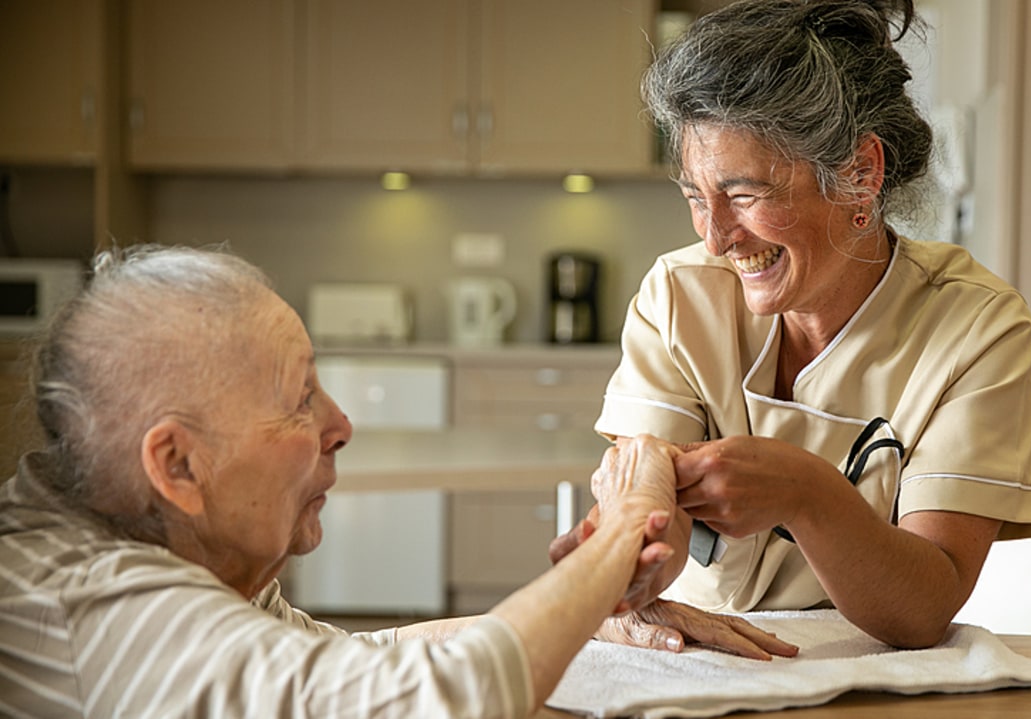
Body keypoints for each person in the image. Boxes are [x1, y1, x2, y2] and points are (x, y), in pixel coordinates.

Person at [0, 244, 795, 718]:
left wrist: (593, 621)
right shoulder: (89, 607)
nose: (339, 423)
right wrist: (619, 537)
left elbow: (350, 660)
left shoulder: (168, 543)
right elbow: (428, 700)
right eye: (299, 397)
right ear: (177, 465)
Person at [555, 0, 1031, 651]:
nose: (715, 238)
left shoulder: (974, 327)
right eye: (696, 195)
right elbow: (651, 530)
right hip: (700, 667)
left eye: (744, 194)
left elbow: (922, 610)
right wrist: (628, 563)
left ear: (860, 176)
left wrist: (806, 493)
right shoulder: (677, 298)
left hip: (874, 681)